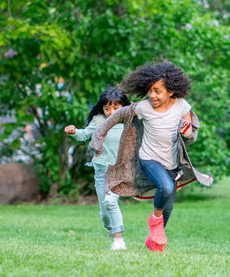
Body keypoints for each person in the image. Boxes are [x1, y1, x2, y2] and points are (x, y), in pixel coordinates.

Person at [90, 61, 213, 252]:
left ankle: (154, 242)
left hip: (172, 163)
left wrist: (186, 130)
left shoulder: (182, 106)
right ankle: (155, 220)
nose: (152, 95)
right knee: (165, 186)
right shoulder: (143, 108)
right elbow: (115, 117)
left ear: (171, 92)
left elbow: (190, 133)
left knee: (169, 206)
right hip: (148, 159)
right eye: (150, 90)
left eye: (157, 91)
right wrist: (98, 139)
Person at [64, 88, 131, 251]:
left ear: (123, 106)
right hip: (101, 171)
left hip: (121, 171)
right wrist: (74, 132)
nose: (111, 112)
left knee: (110, 201)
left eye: (116, 108)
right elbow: (83, 135)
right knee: (104, 214)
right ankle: (110, 228)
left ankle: (119, 241)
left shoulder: (130, 120)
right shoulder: (98, 120)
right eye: (107, 108)